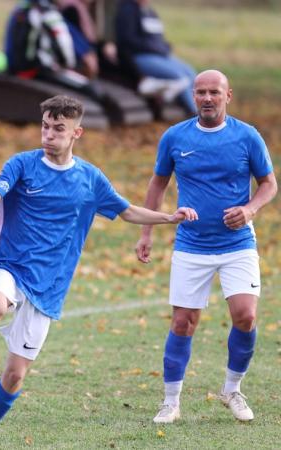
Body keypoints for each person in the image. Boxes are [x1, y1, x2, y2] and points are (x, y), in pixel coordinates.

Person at [0, 95, 197, 449]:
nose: (49, 134)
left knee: (15, 376)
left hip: (49, 286)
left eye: (58, 128)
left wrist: (168, 217)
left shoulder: (89, 179)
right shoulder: (22, 165)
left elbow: (126, 211)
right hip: (8, 264)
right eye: (45, 126)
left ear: (76, 132)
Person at [136, 70, 277, 424]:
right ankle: (171, 401)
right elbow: (158, 183)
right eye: (200, 92)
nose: (207, 98)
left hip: (238, 244)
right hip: (191, 245)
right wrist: (146, 232)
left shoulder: (247, 136)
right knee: (184, 322)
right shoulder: (175, 136)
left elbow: (268, 184)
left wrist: (249, 210)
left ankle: (232, 389)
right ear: (193, 97)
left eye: (214, 92)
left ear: (228, 96)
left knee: (245, 315)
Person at [115, 0, 196, 115]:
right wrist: (155, 48)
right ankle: (194, 112)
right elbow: (127, 40)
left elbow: (157, 37)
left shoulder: (149, 11)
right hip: (140, 56)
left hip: (160, 55)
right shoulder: (127, 10)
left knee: (191, 73)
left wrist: (164, 46)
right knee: (179, 76)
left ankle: (201, 107)